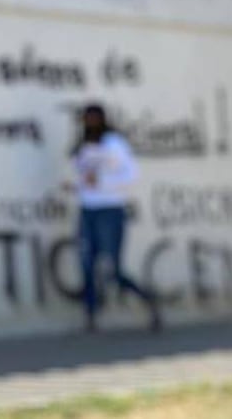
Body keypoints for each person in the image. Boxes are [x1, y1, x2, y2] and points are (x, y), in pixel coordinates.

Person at [68, 103, 162, 334]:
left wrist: (100, 183)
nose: (89, 124)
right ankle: (90, 317)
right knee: (87, 264)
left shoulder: (113, 144)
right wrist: (77, 186)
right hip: (88, 210)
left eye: (93, 119)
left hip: (110, 210)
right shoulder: (82, 147)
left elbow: (131, 175)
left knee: (112, 269)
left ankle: (148, 303)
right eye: (86, 119)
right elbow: (83, 176)